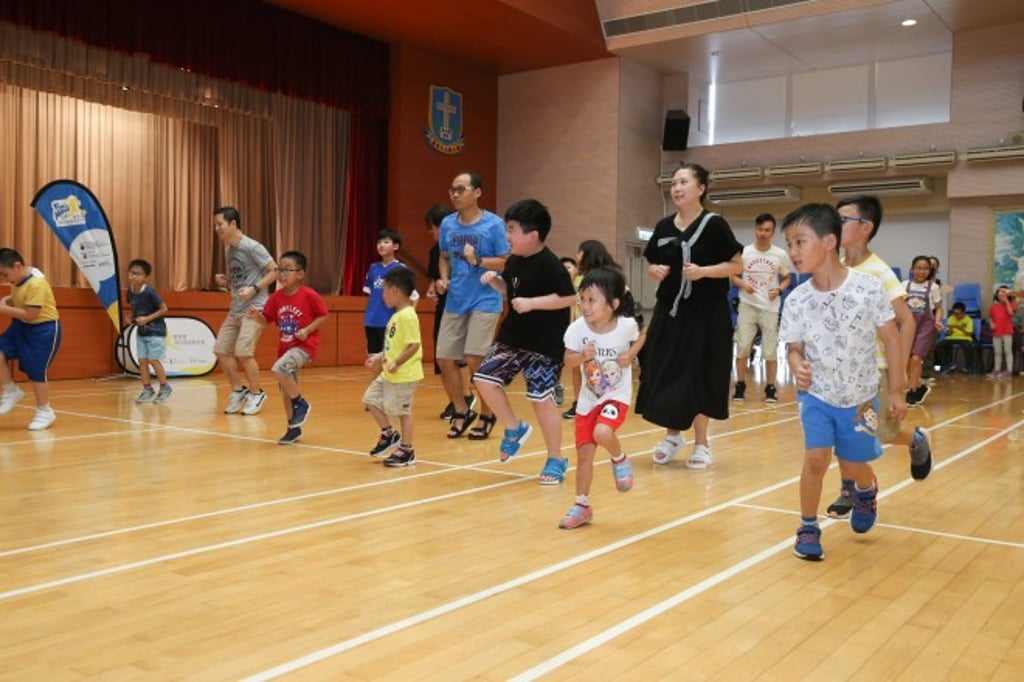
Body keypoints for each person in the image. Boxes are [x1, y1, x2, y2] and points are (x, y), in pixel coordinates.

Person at [779, 203, 907, 561]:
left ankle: (865, 489)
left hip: (861, 397)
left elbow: (893, 338)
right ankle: (807, 526)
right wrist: (797, 364)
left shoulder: (867, 288)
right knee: (816, 459)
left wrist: (896, 390)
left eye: (800, 242)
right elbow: (793, 347)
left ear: (829, 241)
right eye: (789, 244)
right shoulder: (797, 300)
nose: (792, 252)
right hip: (817, 396)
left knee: (852, 463)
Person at [825, 196, 934, 521]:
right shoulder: (835, 267)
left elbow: (906, 320)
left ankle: (916, 439)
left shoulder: (879, 271)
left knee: (881, 433)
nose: (835, 224)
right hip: (840, 371)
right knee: (842, 432)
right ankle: (850, 489)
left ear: (865, 228)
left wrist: (898, 382)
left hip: (876, 369)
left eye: (843, 220)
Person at [636, 162, 743, 469]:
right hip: (671, 313)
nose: (677, 188)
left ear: (701, 188)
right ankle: (672, 436)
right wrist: (653, 269)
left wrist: (705, 272)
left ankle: (702, 443)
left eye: (684, 182)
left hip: (707, 315)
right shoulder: (664, 227)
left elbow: (736, 265)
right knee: (667, 371)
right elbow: (652, 262)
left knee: (700, 375)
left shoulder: (714, 225)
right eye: (673, 183)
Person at [474, 199, 577, 484]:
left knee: (541, 400)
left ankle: (556, 458)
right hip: (513, 337)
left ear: (532, 235)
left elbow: (568, 297)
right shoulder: (515, 260)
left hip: (545, 344)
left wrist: (533, 303)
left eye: (511, 229)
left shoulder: (551, 265)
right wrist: (496, 283)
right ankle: (513, 427)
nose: (507, 235)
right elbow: (511, 290)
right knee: (484, 378)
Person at [559, 267, 645, 528]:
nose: (585, 306)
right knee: (584, 454)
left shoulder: (626, 325)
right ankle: (582, 505)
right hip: (588, 400)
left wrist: (630, 355)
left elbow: (642, 335)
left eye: (592, 300)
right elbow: (568, 360)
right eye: (582, 299)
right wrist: (582, 356)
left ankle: (619, 458)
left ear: (613, 304)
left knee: (603, 433)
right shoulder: (577, 330)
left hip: (616, 396)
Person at [434, 172, 509, 440]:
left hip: (486, 299)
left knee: (476, 358)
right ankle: (461, 410)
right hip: (456, 299)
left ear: (477, 192)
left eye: (461, 189)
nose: (455, 194)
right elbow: (444, 257)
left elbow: (504, 260)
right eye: (452, 190)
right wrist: (443, 279)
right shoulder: (447, 224)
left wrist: (478, 260)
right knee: (444, 358)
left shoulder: (494, 225)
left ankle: (488, 413)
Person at [248, 251, 329, 445]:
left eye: (287, 270)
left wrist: (307, 330)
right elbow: (266, 319)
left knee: (278, 368)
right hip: (285, 349)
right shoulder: (276, 298)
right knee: (285, 390)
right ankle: (293, 429)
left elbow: (323, 315)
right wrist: (255, 315)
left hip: (304, 347)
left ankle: (301, 403)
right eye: (279, 270)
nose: (282, 274)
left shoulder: (309, 295)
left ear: (300, 273)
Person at [212, 206, 277, 416]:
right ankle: (238, 391)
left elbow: (275, 270)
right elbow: (241, 277)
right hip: (235, 308)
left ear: (232, 224)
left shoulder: (251, 246)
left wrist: (254, 289)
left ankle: (257, 394)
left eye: (219, 224)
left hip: (254, 308)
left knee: (244, 352)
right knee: (221, 350)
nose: (217, 229)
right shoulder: (228, 249)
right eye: (215, 225)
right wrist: (226, 280)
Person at [362, 266, 423, 467]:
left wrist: (397, 362)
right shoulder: (397, 316)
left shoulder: (408, 315)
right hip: (389, 372)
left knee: (403, 412)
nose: (383, 296)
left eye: (384, 291)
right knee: (371, 399)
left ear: (395, 291)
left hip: (404, 375)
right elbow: (394, 345)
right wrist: (380, 357)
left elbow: (414, 345)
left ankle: (407, 449)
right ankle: (389, 434)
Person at [731, 212, 792, 404]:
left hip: (770, 307)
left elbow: (787, 278)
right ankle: (740, 385)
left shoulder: (779, 254)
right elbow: (732, 275)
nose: (763, 233)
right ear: (755, 230)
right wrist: (743, 285)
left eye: (767, 230)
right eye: (760, 229)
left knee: (770, 350)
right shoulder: (744, 252)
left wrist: (779, 290)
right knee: (742, 347)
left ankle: (771, 387)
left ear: (773, 232)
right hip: (748, 304)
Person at [0, 248, 61, 431]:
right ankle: (11, 391)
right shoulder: (23, 275)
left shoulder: (36, 283)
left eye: (5, 274)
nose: (4, 279)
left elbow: (31, 314)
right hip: (20, 326)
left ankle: (45, 411)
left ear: (17, 266)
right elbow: (22, 296)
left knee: (36, 372)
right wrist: (10, 299)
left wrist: (2, 308)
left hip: (43, 330)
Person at [562, 241, 622, 420]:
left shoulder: (607, 278)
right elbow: (574, 303)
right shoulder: (579, 277)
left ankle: (604, 401)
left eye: (579, 252)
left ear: (587, 254)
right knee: (577, 366)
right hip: (582, 327)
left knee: (599, 365)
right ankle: (579, 401)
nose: (577, 256)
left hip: (601, 328)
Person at [425, 203, 472, 420]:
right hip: (444, 306)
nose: (432, 233)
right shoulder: (436, 250)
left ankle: (466, 396)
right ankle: (456, 400)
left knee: (460, 356)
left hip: (463, 305)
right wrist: (434, 289)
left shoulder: (465, 245)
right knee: (443, 356)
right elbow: (435, 279)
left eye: (434, 228)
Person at [125, 259, 172, 404]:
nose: (133, 276)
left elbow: (164, 309)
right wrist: (131, 318)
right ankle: (147, 389)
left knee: (153, 360)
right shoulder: (130, 292)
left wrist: (147, 319)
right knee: (142, 361)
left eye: (138, 274)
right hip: (142, 332)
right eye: (132, 273)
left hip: (156, 331)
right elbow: (135, 309)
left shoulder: (150, 292)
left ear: (145, 278)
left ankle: (165, 387)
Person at [363, 228, 414, 355]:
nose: (381, 245)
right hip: (372, 321)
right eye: (379, 242)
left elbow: (413, 297)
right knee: (374, 359)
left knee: (389, 358)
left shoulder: (400, 269)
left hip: (390, 322)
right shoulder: (373, 268)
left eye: (386, 242)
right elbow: (371, 295)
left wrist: (404, 320)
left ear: (395, 246)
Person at [901, 255, 943, 405]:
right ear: (912, 269)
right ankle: (918, 387)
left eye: (925, 268)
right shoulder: (904, 285)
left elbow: (939, 309)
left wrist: (937, 321)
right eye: (919, 268)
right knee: (905, 361)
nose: (922, 271)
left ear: (930, 271)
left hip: (925, 326)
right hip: (908, 325)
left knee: (916, 359)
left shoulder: (934, 287)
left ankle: (912, 393)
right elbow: (896, 307)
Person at [553, 255, 579, 408]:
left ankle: (581, 399)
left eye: (568, 267)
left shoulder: (583, 286)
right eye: (562, 268)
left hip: (580, 331)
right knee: (557, 361)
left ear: (576, 270)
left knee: (578, 365)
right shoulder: (555, 288)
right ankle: (557, 386)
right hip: (559, 330)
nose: (565, 271)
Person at [935, 302, 976, 372]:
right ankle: (946, 364)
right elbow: (947, 334)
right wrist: (949, 330)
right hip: (952, 338)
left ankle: (968, 366)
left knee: (968, 347)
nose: (956, 315)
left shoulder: (968, 320)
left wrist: (958, 327)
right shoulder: (951, 318)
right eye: (955, 313)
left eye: (958, 314)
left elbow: (969, 333)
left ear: (963, 312)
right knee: (940, 345)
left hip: (965, 338)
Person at [988, 285, 1014, 380]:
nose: (1001, 295)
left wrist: (1006, 301)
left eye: (1004, 293)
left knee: (1008, 351)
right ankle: (997, 369)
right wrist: (991, 323)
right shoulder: (993, 307)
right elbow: (990, 317)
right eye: (1000, 293)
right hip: (996, 331)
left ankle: (1009, 370)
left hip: (1007, 331)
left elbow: (1011, 313)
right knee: (997, 352)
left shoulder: (1011, 304)